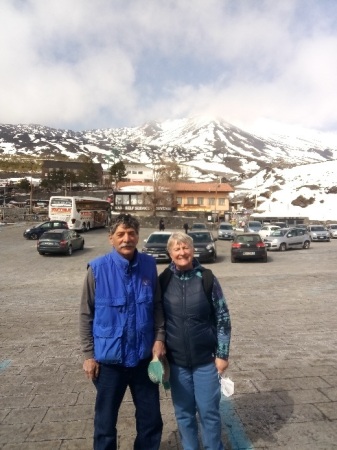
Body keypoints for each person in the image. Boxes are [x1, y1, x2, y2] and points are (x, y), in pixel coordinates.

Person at [79, 213, 165, 450]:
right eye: (121, 234)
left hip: (142, 359)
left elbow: (157, 305)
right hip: (108, 363)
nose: (126, 238)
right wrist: (88, 355)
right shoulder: (97, 270)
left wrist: (159, 338)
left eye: (131, 233)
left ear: (137, 236)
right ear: (111, 239)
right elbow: (86, 314)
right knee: (105, 424)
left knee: (151, 420)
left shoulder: (149, 265)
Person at [159, 231, 231, 450]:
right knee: (184, 414)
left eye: (185, 247)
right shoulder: (163, 280)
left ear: (192, 250)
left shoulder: (207, 278)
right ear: (170, 253)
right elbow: (157, 319)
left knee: (209, 413)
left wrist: (222, 355)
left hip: (206, 362)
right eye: (177, 249)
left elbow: (223, 318)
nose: (182, 252)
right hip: (177, 363)